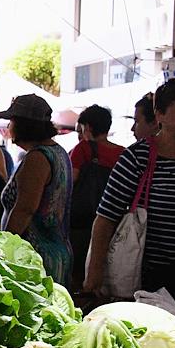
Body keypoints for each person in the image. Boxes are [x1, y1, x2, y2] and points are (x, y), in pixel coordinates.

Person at [85, 79, 175, 298]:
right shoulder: (137, 158)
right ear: (160, 115)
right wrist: (94, 274)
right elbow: (106, 218)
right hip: (148, 280)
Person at [0, 94, 73, 286]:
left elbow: (25, 209)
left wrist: (3, 248)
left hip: (36, 259)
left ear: (23, 125)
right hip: (54, 254)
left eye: (12, 121)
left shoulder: (37, 158)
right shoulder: (58, 152)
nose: (9, 126)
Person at [68, 104, 124, 288]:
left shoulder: (83, 149)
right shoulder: (123, 153)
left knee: (79, 272)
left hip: (83, 223)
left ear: (89, 127)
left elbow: (70, 180)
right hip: (115, 222)